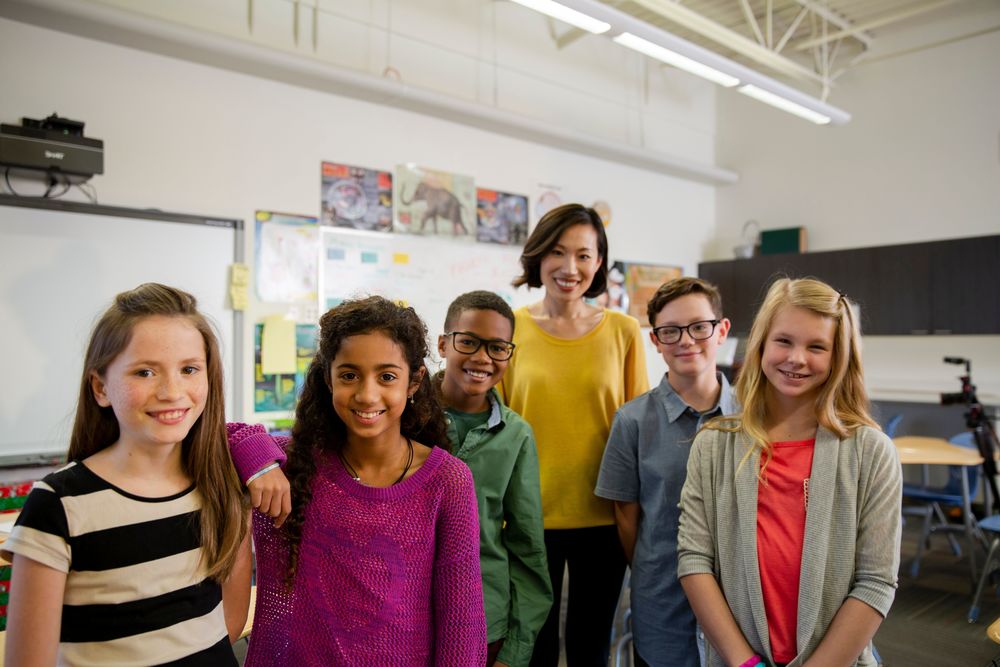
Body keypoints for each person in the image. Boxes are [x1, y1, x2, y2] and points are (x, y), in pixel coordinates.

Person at [226, 295, 486, 666]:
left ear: (414, 381)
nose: (366, 394)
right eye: (349, 375)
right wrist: (259, 466)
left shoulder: (448, 481)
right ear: (328, 378)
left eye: (387, 377)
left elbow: (461, 623)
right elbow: (215, 437)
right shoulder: (296, 464)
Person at [2, 283, 252, 666]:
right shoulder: (59, 505)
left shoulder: (222, 488)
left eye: (189, 369)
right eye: (145, 372)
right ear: (101, 387)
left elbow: (227, 627)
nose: (171, 391)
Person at [678, 277, 902, 667]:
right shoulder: (712, 445)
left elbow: (875, 582)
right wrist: (745, 662)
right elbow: (694, 560)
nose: (797, 358)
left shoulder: (871, 453)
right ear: (762, 344)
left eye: (817, 346)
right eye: (784, 341)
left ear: (838, 356)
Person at [499, 203, 649, 667]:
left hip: (604, 518)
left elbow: (638, 430)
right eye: (558, 252)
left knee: (590, 648)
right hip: (525, 519)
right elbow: (496, 426)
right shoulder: (510, 329)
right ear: (539, 256)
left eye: (584, 255)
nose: (570, 267)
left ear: (599, 262)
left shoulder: (623, 331)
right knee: (533, 649)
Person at [596, 277, 737, 667]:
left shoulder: (755, 417)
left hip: (743, 608)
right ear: (656, 340)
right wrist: (653, 568)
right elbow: (627, 518)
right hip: (664, 606)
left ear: (721, 330)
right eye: (671, 331)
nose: (686, 340)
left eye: (699, 327)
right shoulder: (632, 421)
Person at [434, 290, 552, 667]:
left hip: (484, 623)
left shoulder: (516, 435)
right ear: (443, 344)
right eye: (468, 342)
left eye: (497, 347)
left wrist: (516, 651)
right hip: (406, 615)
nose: (483, 357)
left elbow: (527, 546)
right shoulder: (403, 414)